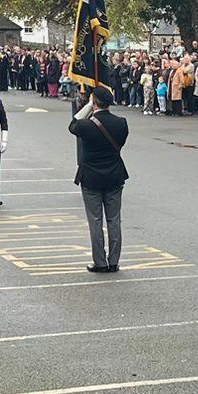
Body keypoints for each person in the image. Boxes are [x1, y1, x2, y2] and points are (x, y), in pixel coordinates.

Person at [71, 84, 129, 273]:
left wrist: (88, 107)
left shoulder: (86, 125)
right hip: (114, 174)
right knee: (114, 220)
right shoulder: (121, 123)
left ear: (94, 102)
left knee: (95, 221)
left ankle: (100, 262)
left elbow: (73, 124)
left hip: (91, 177)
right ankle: (114, 261)